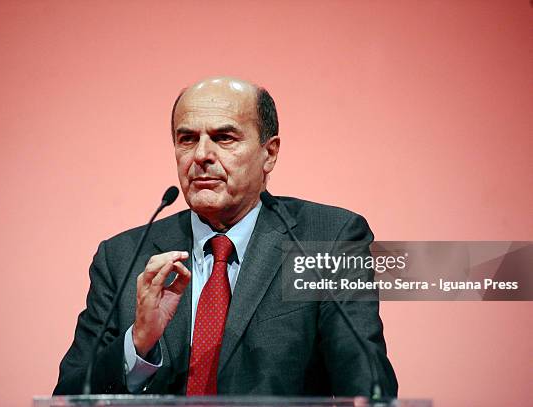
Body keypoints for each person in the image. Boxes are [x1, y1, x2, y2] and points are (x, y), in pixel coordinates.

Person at [53, 77, 398, 397]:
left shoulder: (325, 239)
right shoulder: (123, 257)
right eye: (187, 139)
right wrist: (138, 345)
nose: (201, 155)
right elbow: (68, 397)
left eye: (224, 138)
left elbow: (366, 382)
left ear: (270, 153)